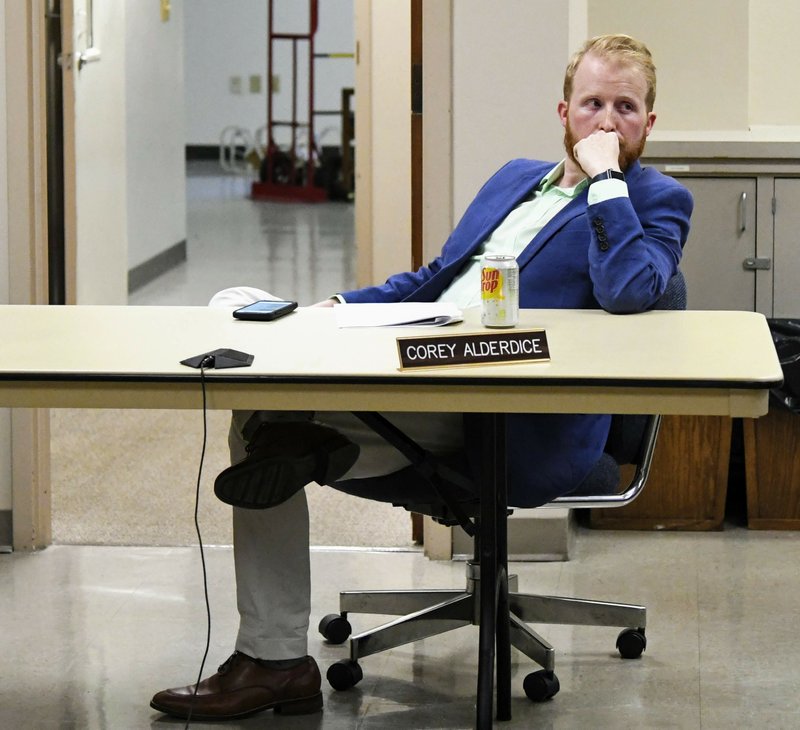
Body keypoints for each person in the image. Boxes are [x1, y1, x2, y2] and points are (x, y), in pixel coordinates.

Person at [150, 33, 693, 721]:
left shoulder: (657, 199)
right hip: (420, 360)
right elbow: (438, 281)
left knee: (270, 421)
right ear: (563, 112)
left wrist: (606, 179)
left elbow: (630, 289)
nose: (607, 121)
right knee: (247, 360)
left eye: (626, 107)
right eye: (592, 104)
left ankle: (301, 485)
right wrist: (344, 306)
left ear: (650, 122)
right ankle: (279, 657)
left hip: (510, 411)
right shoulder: (514, 178)